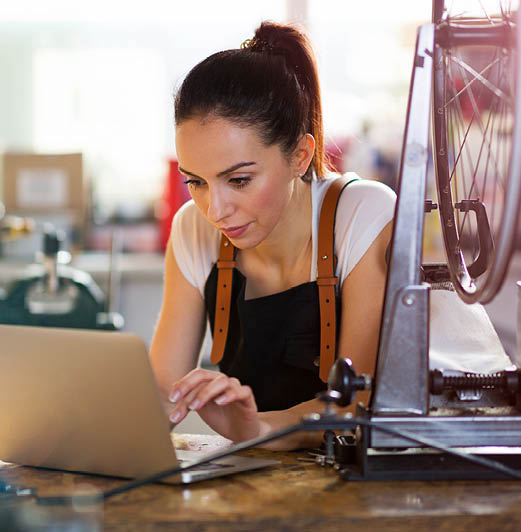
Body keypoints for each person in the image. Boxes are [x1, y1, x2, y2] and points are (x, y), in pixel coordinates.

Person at [149, 21, 396, 451]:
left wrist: (257, 431)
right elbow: (159, 398)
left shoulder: (366, 214)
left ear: (300, 155)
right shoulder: (193, 228)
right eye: (196, 181)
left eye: (239, 180)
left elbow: (355, 408)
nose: (214, 209)